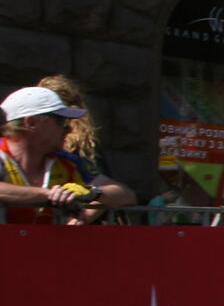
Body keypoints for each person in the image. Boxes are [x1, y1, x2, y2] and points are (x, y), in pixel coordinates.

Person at [0, 85, 134, 223]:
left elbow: (126, 194)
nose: (69, 130)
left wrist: (89, 197)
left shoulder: (67, 162)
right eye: (61, 121)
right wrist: (48, 195)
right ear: (31, 122)